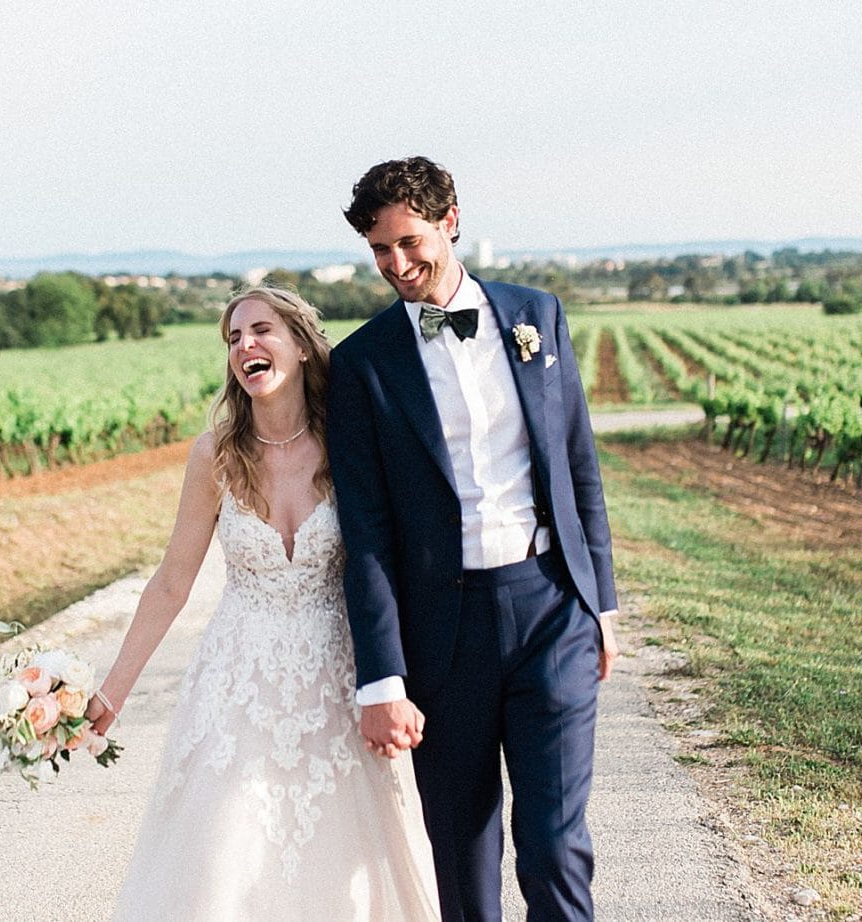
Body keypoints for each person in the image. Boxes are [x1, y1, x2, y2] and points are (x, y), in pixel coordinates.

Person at [87, 287, 440, 921]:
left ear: (302, 346)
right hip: (236, 691)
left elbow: (394, 567)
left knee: (344, 873)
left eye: (261, 330)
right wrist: (111, 693)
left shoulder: (350, 446)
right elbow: (172, 582)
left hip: (335, 687)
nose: (245, 345)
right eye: (232, 338)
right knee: (227, 859)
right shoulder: (216, 456)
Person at [327, 157, 619, 922]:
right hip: (441, 633)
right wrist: (382, 676)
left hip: (551, 606)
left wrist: (603, 604)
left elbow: (577, 466)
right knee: (463, 853)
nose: (398, 264)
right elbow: (367, 534)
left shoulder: (537, 316)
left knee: (556, 843)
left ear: (451, 217)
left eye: (410, 241)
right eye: (380, 250)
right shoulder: (361, 365)